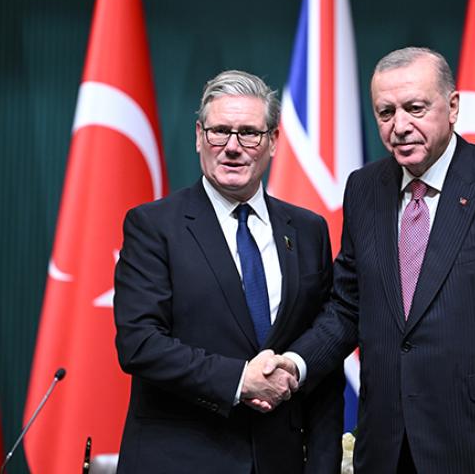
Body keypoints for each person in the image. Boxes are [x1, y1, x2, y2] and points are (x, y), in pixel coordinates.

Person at [263, 47, 475, 473]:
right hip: (387, 447)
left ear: (452, 107)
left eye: (415, 108)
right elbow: (348, 306)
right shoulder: (364, 188)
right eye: (386, 112)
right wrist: (295, 363)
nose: (400, 126)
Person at [113, 70, 343, 473]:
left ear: (273, 141)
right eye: (220, 131)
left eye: (249, 133)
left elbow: (326, 356)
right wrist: (239, 379)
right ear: (199, 136)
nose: (232, 147)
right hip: (181, 461)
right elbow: (140, 343)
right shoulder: (153, 226)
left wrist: (323, 465)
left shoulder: (308, 231)